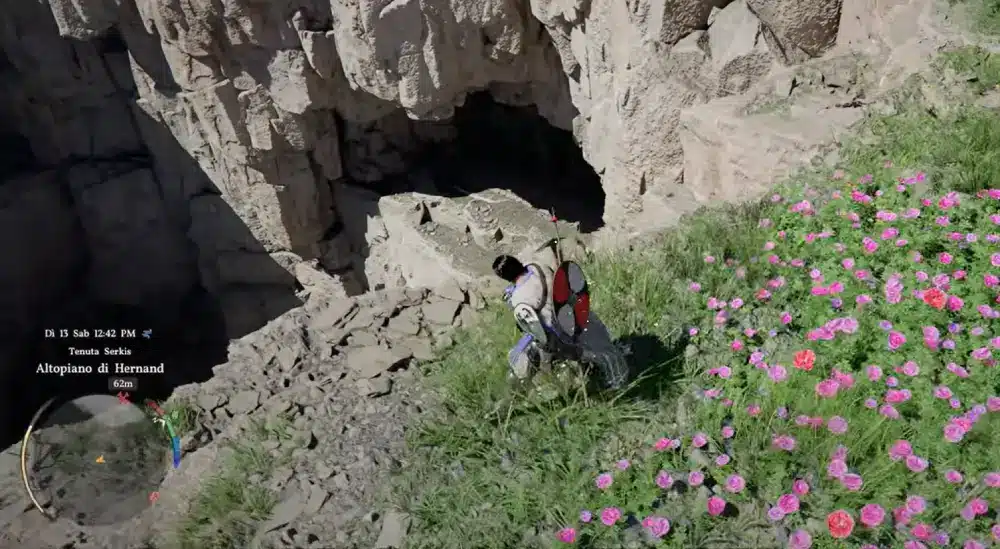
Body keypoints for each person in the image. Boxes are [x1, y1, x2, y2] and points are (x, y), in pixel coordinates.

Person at [492, 253, 557, 380]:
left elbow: (528, 325)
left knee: (514, 356)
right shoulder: (537, 265)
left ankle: (542, 373)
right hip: (562, 309)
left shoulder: (518, 298)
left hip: (551, 326)